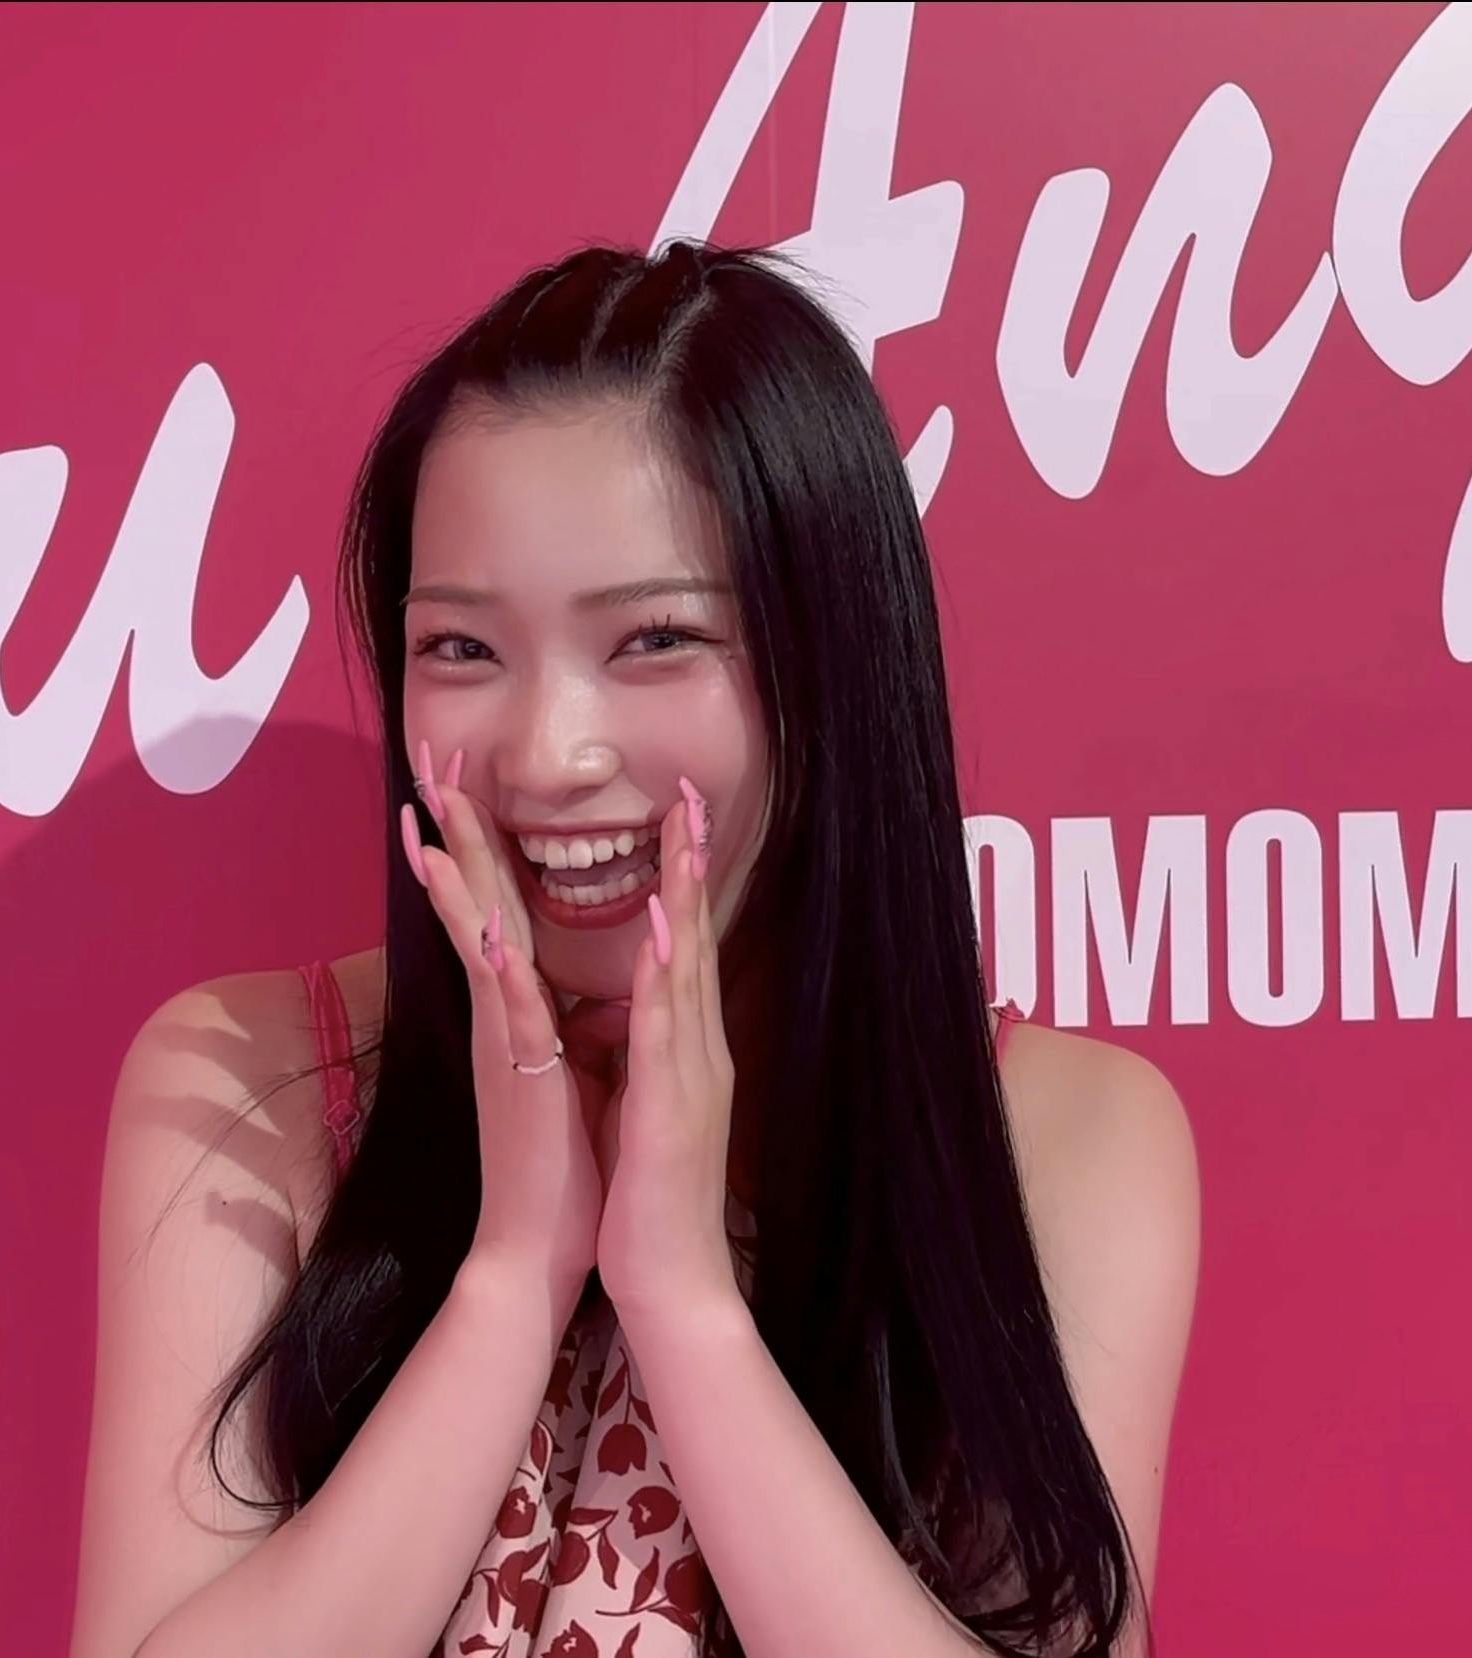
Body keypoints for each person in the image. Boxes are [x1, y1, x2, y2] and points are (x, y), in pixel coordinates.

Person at [70, 241, 1200, 1658]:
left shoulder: (1065, 1137)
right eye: (462, 649)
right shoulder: (255, 1088)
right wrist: (512, 1273)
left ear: (832, 668)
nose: (548, 755)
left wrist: (682, 1299)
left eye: (656, 639)